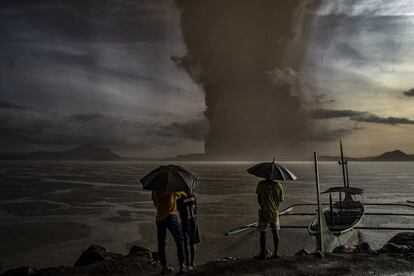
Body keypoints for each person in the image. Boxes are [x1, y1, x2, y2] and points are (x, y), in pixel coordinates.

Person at [152, 191, 187, 274]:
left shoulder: (154, 190)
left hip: (159, 218)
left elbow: (155, 203)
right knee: (180, 240)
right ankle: (182, 265)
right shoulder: (171, 187)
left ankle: (164, 267)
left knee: (161, 243)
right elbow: (184, 195)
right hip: (171, 216)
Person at [255, 178, 284, 259]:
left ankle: (263, 254)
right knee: (275, 232)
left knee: (263, 233)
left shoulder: (260, 184)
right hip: (274, 213)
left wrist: (263, 206)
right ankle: (275, 253)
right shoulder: (279, 186)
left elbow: (259, 199)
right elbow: (281, 200)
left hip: (263, 212)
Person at [177, 190, 200, 269]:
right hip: (193, 221)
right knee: (192, 243)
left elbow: (177, 210)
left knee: (185, 243)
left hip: (184, 222)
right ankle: (192, 262)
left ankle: (187, 263)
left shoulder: (180, 200)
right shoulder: (193, 196)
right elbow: (196, 210)